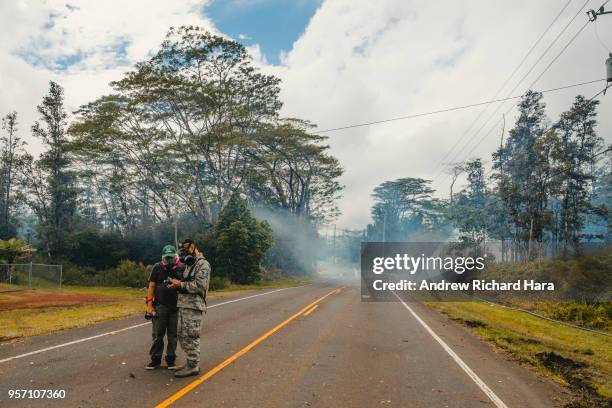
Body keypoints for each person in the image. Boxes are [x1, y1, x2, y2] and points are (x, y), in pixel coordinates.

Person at [167, 238, 211, 378]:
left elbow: (199, 285)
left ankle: (193, 366)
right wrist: (175, 284)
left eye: (186, 250)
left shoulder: (203, 264)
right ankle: (190, 361)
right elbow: (186, 282)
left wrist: (180, 285)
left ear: (193, 247)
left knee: (191, 335)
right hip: (185, 304)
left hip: (194, 306)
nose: (184, 254)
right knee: (182, 335)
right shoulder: (189, 264)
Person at [145, 245, 184, 370]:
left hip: (176, 307)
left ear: (175, 256)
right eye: (166, 257)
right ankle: (155, 359)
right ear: (163, 257)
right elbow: (151, 286)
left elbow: (186, 284)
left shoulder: (181, 267)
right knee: (158, 334)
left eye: (171, 257)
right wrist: (149, 306)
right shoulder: (157, 267)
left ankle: (171, 360)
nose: (169, 260)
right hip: (160, 306)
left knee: (173, 335)